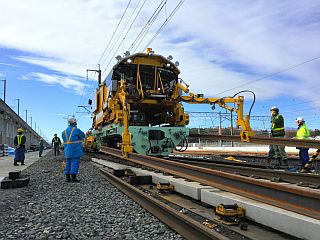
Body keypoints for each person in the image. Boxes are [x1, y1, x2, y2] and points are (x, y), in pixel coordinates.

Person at [61, 118, 85, 182]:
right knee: (75, 163)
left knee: (68, 163)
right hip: (75, 149)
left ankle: (67, 178)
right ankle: (74, 178)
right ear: (74, 123)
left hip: (67, 151)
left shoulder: (63, 132)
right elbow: (83, 136)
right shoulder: (76, 130)